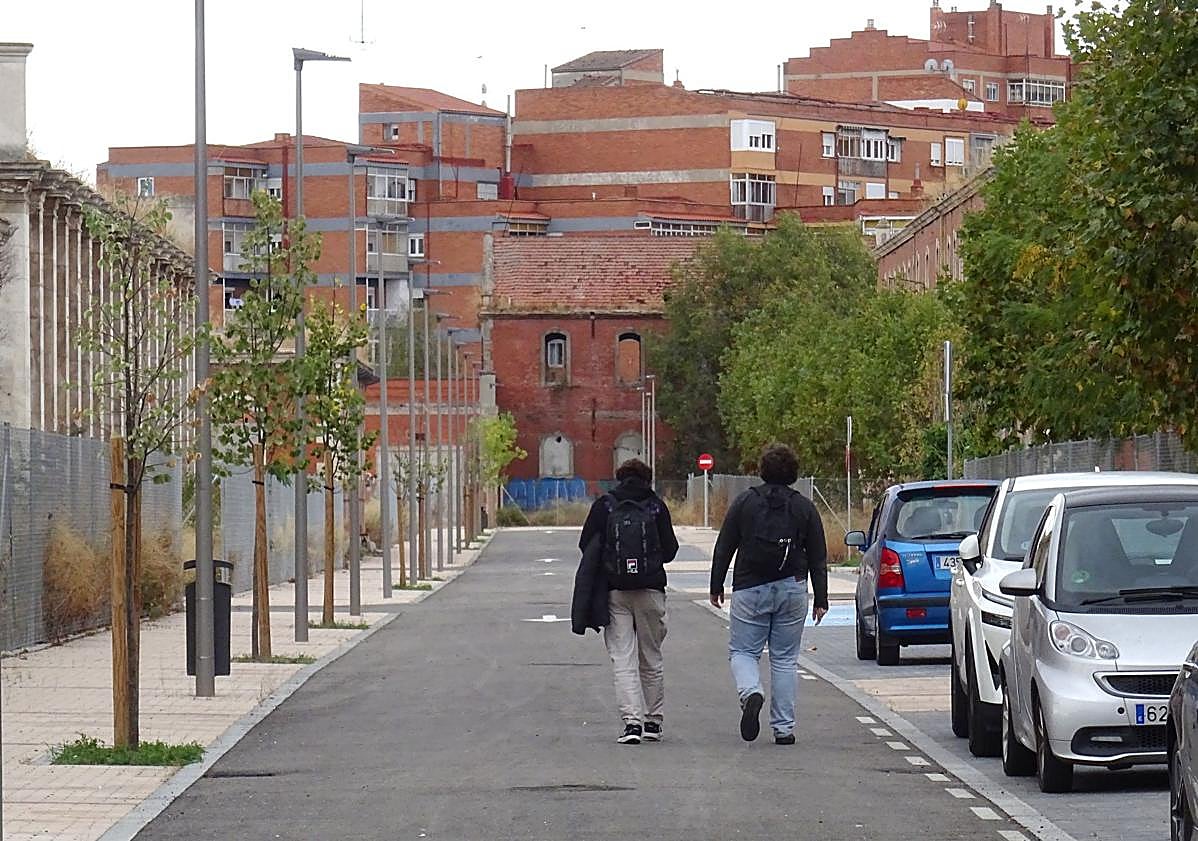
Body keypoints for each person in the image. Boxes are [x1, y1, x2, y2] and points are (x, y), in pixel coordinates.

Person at [709, 443, 828, 745]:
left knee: (743, 651)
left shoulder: (745, 503)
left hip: (750, 587)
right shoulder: (804, 507)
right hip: (792, 587)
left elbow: (725, 546)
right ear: (794, 473)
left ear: (761, 470)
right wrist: (822, 598)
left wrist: (716, 584)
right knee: (785, 659)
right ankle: (784, 728)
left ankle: (751, 692)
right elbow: (817, 556)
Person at [576, 459, 679, 745]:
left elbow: (586, 545)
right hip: (651, 590)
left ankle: (631, 723)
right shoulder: (656, 506)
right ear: (648, 479)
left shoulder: (605, 506)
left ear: (619, 478)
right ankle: (653, 722)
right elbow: (670, 550)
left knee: (622, 657)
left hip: (615, 591)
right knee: (651, 656)